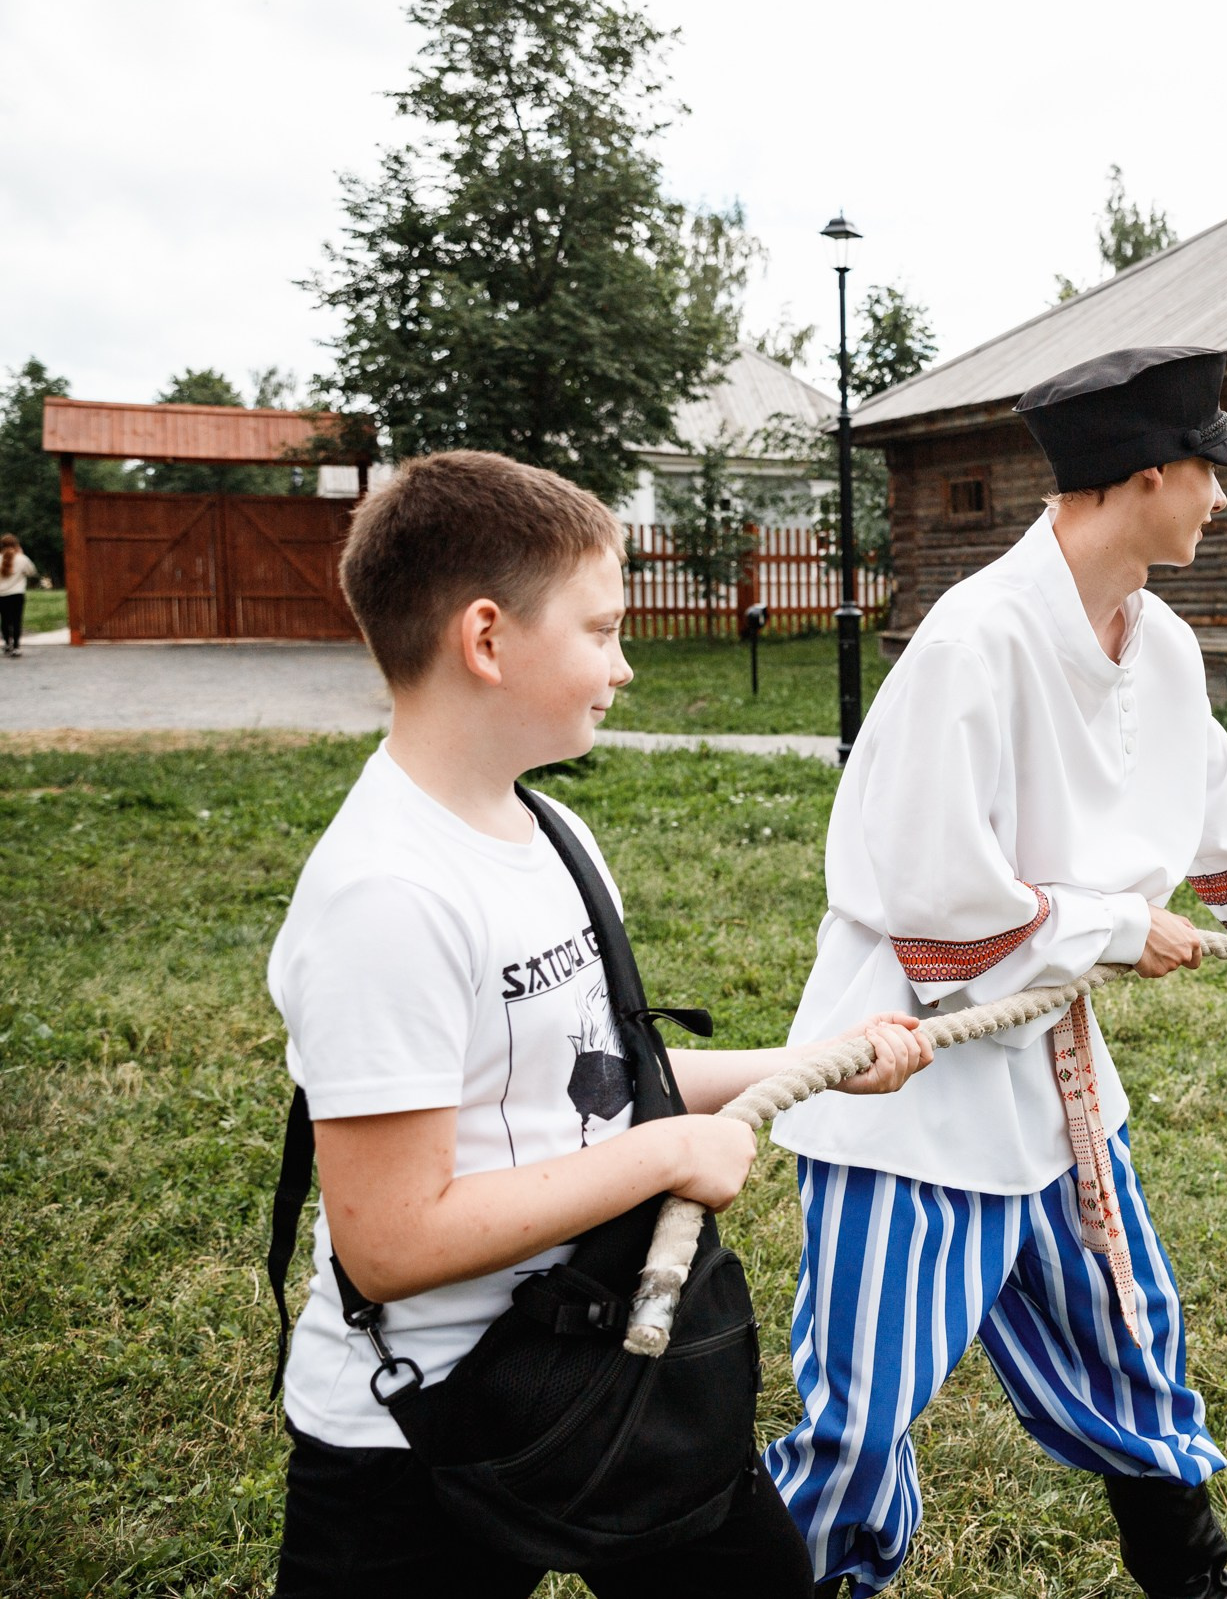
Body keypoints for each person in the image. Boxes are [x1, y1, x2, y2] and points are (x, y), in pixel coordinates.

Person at [764, 346, 1227, 1599]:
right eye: (1210, 471)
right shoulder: (974, 640)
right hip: (908, 1100)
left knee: (1134, 1355)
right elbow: (927, 888)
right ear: (1141, 476)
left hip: (1059, 1100)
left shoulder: (1157, 645)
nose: (1223, 497)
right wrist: (1106, 927)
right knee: (856, 1426)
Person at [267, 451, 932, 1597]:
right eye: (601, 629)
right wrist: (667, 1151)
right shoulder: (388, 896)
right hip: (422, 1434)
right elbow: (392, 1239)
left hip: (609, 1366)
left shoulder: (552, 832)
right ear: (487, 639)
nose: (623, 666)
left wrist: (814, 1062)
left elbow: (594, 1069)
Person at [0, 533, 40, 657]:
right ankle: (16, 646)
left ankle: (7, 643)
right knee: (16, 620)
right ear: (16, 544)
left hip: (1, 594)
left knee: (5, 620)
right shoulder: (22, 559)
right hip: (17, 594)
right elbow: (32, 572)